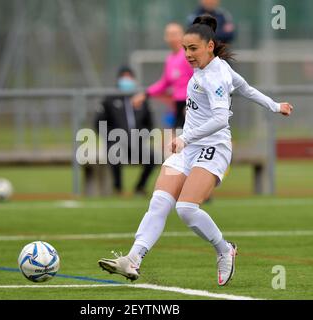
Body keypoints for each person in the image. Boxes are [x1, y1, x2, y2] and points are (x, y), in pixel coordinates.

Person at [98, 15, 293, 286]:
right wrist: (275, 105)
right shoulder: (215, 66)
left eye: (193, 49)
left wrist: (185, 138)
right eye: (185, 49)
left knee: (187, 209)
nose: (188, 54)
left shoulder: (215, 75)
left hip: (214, 146)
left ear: (209, 46)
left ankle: (225, 249)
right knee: (159, 202)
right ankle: (133, 258)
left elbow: (220, 119)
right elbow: (245, 88)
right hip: (190, 146)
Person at [95, 66, 156, 196]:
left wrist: (141, 137)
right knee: (114, 154)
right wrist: (112, 138)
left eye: (129, 77)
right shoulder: (110, 100)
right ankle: (118, 189)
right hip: (116, 142)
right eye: (124, 77)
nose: (127, 80)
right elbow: (99, 123)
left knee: (153, 158)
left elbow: (149, 124)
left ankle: (139, 188)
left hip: (136, 142)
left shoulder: (141, 100)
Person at [132, 23, 193, 129]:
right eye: (169, 35)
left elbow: (198, 80)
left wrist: (192, 104)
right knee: (176, 140)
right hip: (177, 106)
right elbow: (164, 82)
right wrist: (145, 94)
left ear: (183, 36)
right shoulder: (170, 59)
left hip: (190, 106)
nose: (172, 38)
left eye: (175, 34)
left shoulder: (188, 56)